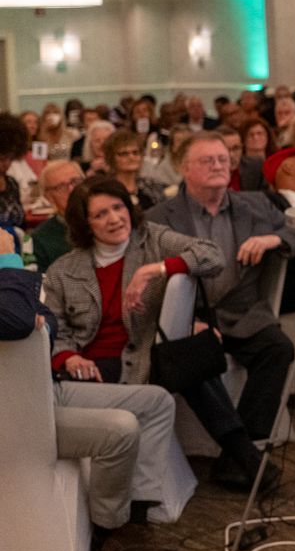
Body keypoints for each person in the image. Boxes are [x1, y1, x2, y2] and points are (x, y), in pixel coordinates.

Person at [44, 177, 275, 491]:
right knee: (189, 363)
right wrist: (68, 357)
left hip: (143, 355)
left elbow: (212, 256)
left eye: (118, 207)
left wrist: (155, 270)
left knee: (190, 361)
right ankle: (244, 456)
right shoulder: (63, 270)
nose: (114, 219)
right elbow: (55, 328)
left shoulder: (150, 240)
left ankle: (243, 455)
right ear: (84, 224)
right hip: (93, 365)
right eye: (100, 214)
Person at [0, 235, 193, 551]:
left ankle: (135, 518)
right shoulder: (9, 272)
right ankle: (111, 533)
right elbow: (17, 320)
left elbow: (47, 320)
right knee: (120, 429)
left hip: (40, 387)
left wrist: (29, 311)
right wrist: (8, 261)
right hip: (16, 415)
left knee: (155, 402)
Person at [145, 132, 295, 444]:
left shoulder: (255, 205)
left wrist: (272, 239)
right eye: (207, 160)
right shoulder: (159, 217)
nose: (218, 166)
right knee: (189, 361)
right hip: (191, 321)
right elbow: (147, 276)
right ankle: (241, 456)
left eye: (223, 159)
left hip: (245, 316)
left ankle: (249, 444)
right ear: (184, 168)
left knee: (279, 348)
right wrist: (181, 321)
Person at [33, 159, 84, 274]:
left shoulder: (104, 223)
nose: (72, 190)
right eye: (61, 187)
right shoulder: (41, 239)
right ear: (49, 197)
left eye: (75, 181)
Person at [103, 129, 165, 212]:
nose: (131, 157)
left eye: (135, 152)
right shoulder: (106, 191)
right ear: (111, 158)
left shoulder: (152, 186)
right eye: (124, 154)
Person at [0, 113, 30, 233]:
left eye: (10, 158)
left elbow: (22, 225)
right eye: (1, 159)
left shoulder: (12, 184)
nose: (6, 164)